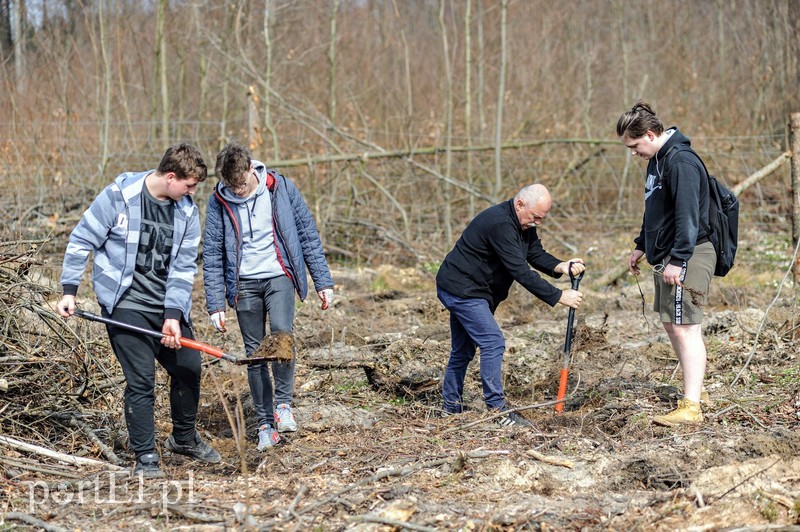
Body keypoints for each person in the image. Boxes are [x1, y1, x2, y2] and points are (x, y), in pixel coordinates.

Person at [57, 143, 220, 478]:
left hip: (164, 305)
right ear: (171, 177)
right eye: (189, 185)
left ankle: (183, 438)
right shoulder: (119, 196)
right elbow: (81, 239)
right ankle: (145, 456)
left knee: (188, 367)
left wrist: (173, 315)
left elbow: (183, 267)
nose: (192, 192)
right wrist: (69, 291)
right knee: (141, 379)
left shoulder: (186, 212)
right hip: (124, 302)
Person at [203, 142, 334, 451]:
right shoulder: (218, 202)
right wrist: (215, 303)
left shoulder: (280, 188)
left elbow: (307, 233)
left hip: (279, 275)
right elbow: (212, 252)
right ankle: (265, 425)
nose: (238, 191)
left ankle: (283, 405)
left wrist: (322, 281)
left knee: (282, 335)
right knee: (255, 353)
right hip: (243, 283)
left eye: (242, 183)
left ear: (252, 169)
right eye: (231, 186)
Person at [435, 184, 585, 426]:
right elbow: (519, 270)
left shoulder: (524, 223)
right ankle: (498, 411)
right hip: (461, 289)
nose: (537, 222)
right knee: (492, 341)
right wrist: (558, 296)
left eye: (541, 218)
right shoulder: (500, 224)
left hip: (475, 290)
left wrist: (561, 266)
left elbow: (534, 253)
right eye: (536, 216)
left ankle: (450, 409)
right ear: (520, 204)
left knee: (463, 350)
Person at [617, 101, 715, 426]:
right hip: (667, 256)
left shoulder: (681, 161)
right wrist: (641, 245)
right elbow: (655, 211)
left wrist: (679, 258)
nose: (633, 153)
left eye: (634, 145)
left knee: (686, 327)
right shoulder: (657, 161)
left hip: (689, 253)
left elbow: (688, 215)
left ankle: (692, 407)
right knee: (672, 324)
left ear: (649, 134)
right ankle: (695, 388)